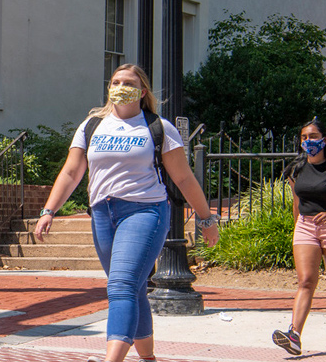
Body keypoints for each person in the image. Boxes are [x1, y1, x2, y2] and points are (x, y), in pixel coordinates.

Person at [34, 64, 220, 362]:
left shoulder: (158, 127)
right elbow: (71, 172)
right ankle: (148, 358)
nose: (120, 86)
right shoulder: (92, 125)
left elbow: (184, 178)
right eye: (115, 81)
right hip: (102, 213)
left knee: (120, 284)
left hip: (145, 211)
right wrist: (49, 210)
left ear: (142, 91)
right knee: (131, 288)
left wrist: (206, 218)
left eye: (128, 82)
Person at [272, 119, 326, 355]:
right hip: (306, 226)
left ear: (325, 139)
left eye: (313, 136)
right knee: (306, 280)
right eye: (304, 137)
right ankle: (294, 334)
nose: (308, 141)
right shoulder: (295, 169)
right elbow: (297, 203)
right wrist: (298, 226)